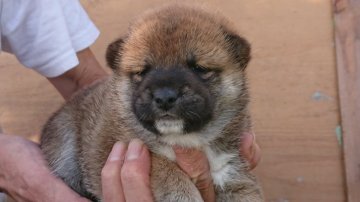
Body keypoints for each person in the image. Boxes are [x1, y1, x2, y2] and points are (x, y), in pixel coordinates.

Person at [0, 0, 261, 201]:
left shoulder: (233, 133)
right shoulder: (121, 118)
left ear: (238, 60)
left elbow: (77, 75)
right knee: (67, 130)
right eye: (141, 73)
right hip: (74, 176)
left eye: (201, 70)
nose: (165, 94)